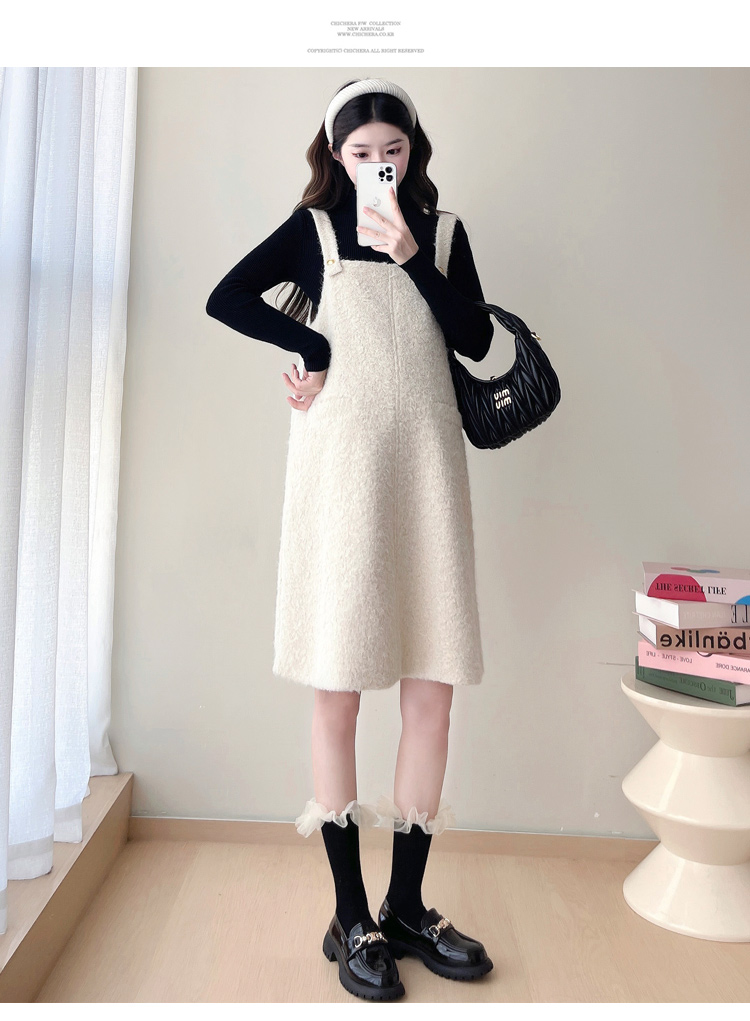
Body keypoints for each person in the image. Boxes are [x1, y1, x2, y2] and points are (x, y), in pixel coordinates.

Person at [206, 77, 495, 1002]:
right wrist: (313, 348)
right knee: (338, 691)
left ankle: (406, 905)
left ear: (413, 150)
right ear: (337, 155)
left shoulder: (442, 235)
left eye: (393, 151)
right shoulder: (316, 231)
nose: (380, 164)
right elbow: (226, 296)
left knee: (432, 692)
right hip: (342, 484)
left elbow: (475, 338)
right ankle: (351, 913)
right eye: (363, 152)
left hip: (428, 478)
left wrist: (411, 254)